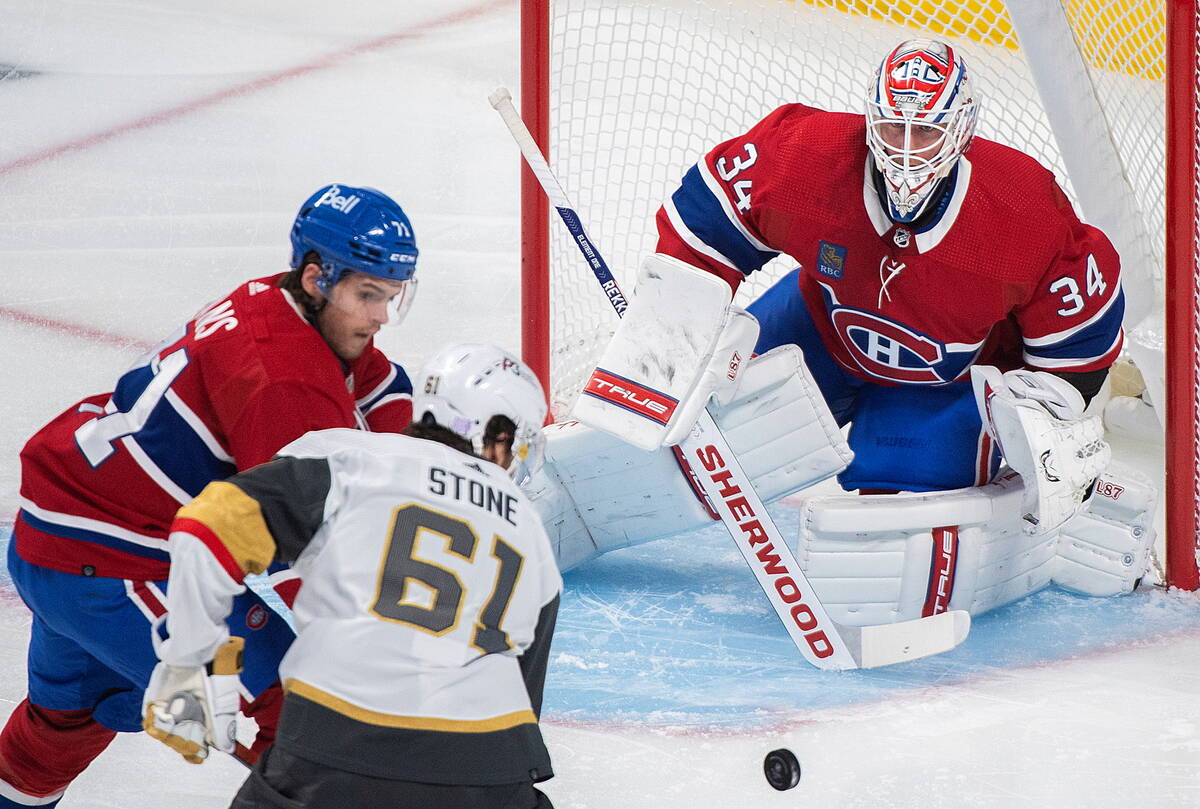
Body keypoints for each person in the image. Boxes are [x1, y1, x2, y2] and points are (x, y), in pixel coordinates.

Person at [563, 38, 1150, 621]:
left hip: (948, 376)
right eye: (895, 128)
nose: (907, 152)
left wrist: (1043, 414)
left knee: (892, 518)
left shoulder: (1020, 211)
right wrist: (681, 323)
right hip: (818, 329)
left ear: (962, 131)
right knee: (701, 430)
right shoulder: (803, 157)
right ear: (871, 118)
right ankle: (569, 504)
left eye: (927, 133)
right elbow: (704, 225)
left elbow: (1078, 343)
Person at [0, 182, 420, 808]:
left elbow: (379, 380)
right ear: (316, 278)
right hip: (115, 568)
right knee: (310, 707)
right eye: (368, 296)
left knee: (59, 730)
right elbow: (306, 558)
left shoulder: (275, 299)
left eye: (392, 297)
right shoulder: (284, 385)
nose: (380, 317)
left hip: (61, 537)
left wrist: (412, 453)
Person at [144, 343, 561, 809]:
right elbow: (522, 697)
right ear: (499, 435)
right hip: (490, 765)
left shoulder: (353, 460)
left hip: (340, 746)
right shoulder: (530, 531)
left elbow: (205, 529)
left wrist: (191, 664)